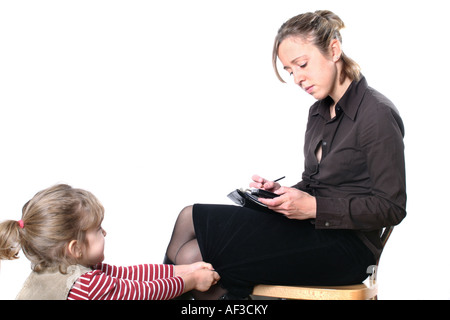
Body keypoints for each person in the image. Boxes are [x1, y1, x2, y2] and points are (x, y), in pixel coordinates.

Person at [163, 10, 406, 299]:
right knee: (189, 218)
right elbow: (317, 183)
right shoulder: (318, 111)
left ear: (334, 50)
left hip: (346, 248)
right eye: (290, 71)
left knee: (197, 256)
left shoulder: (376, 114)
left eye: (302, 64)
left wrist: (314, 207)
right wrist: (283, 193)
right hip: (311, 230)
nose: (298, 79)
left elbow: (391, 207)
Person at [0, 184, 219, 300]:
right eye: (97, 229)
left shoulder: (57, 267)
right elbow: (143, 293)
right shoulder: (86, 286)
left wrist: (184, 269)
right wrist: (191, 281)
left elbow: (128, 276)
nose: (104, 232)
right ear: (75, 248)